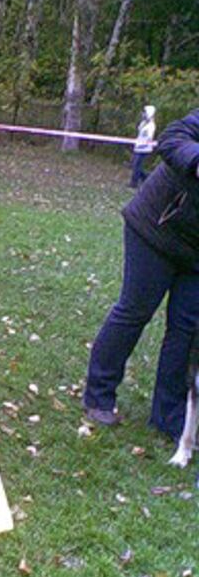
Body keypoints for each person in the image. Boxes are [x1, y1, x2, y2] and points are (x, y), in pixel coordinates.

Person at [83, 107, 199, 440]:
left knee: (187, 330)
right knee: (134, 310)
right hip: (156, 227)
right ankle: (98, 396)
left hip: (197, 253)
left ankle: (169, 418)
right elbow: (173, 138)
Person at [129, 104, 156, 188]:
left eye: (144, 112)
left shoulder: (151, 125)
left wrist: (143, 145)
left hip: (144, 149)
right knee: (135, 165)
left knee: (136, 165)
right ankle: (147, 178)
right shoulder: (143, 123)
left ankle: (134, 183)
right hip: (138, 147)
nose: (142, 114)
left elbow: (149, 137)